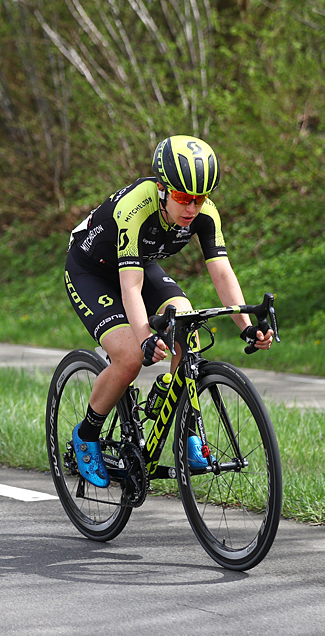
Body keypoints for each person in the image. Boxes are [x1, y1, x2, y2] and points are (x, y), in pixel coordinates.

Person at [63, 135, 274, 488]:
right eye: (182, 198)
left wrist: (246, 325)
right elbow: (129, 287)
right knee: (130, 357)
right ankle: (87, 434)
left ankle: (183, 425)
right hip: (91, 271)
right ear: (162, 189)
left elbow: (221, 270)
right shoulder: (135, 207)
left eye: (200, 198)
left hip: (139, 266)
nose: (191, 208)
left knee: (185, 318)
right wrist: (145, 337)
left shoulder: (204, 214)